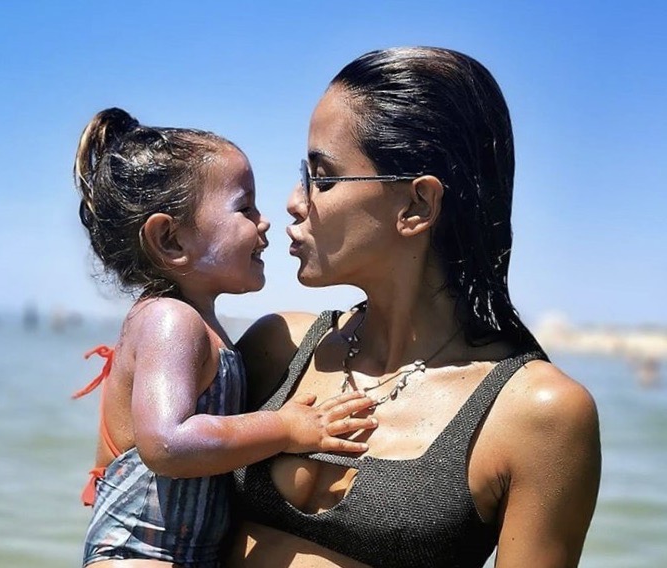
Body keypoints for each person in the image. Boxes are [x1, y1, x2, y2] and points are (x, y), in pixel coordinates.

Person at [228, 47, 602, 568]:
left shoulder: (537, 413)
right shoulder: (276, 347)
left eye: (323, 177)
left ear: (416, 206)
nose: (295, 199)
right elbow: (137, 497)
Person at [71, 108, 378, 568]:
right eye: (244, 207)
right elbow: (168, 443)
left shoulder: (205, 330)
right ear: (170, 240)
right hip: (136, 554)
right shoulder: (169, 321)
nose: (265, 221)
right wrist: (288, 428)